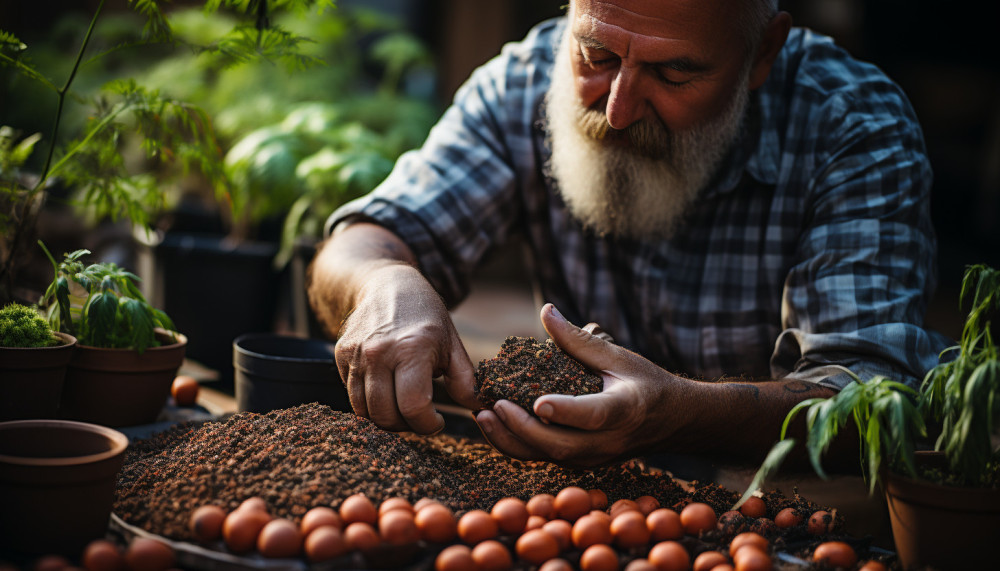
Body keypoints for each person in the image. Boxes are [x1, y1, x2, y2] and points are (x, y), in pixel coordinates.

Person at [307, 0, 949, 469]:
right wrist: (385, 285)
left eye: (673, 74)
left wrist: (684, 414)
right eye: (598, 55)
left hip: (775, 499)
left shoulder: (853, 127)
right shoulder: (527, 80)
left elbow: (872, 403)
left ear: (762, 56)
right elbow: (366, 238)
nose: (617, 109)